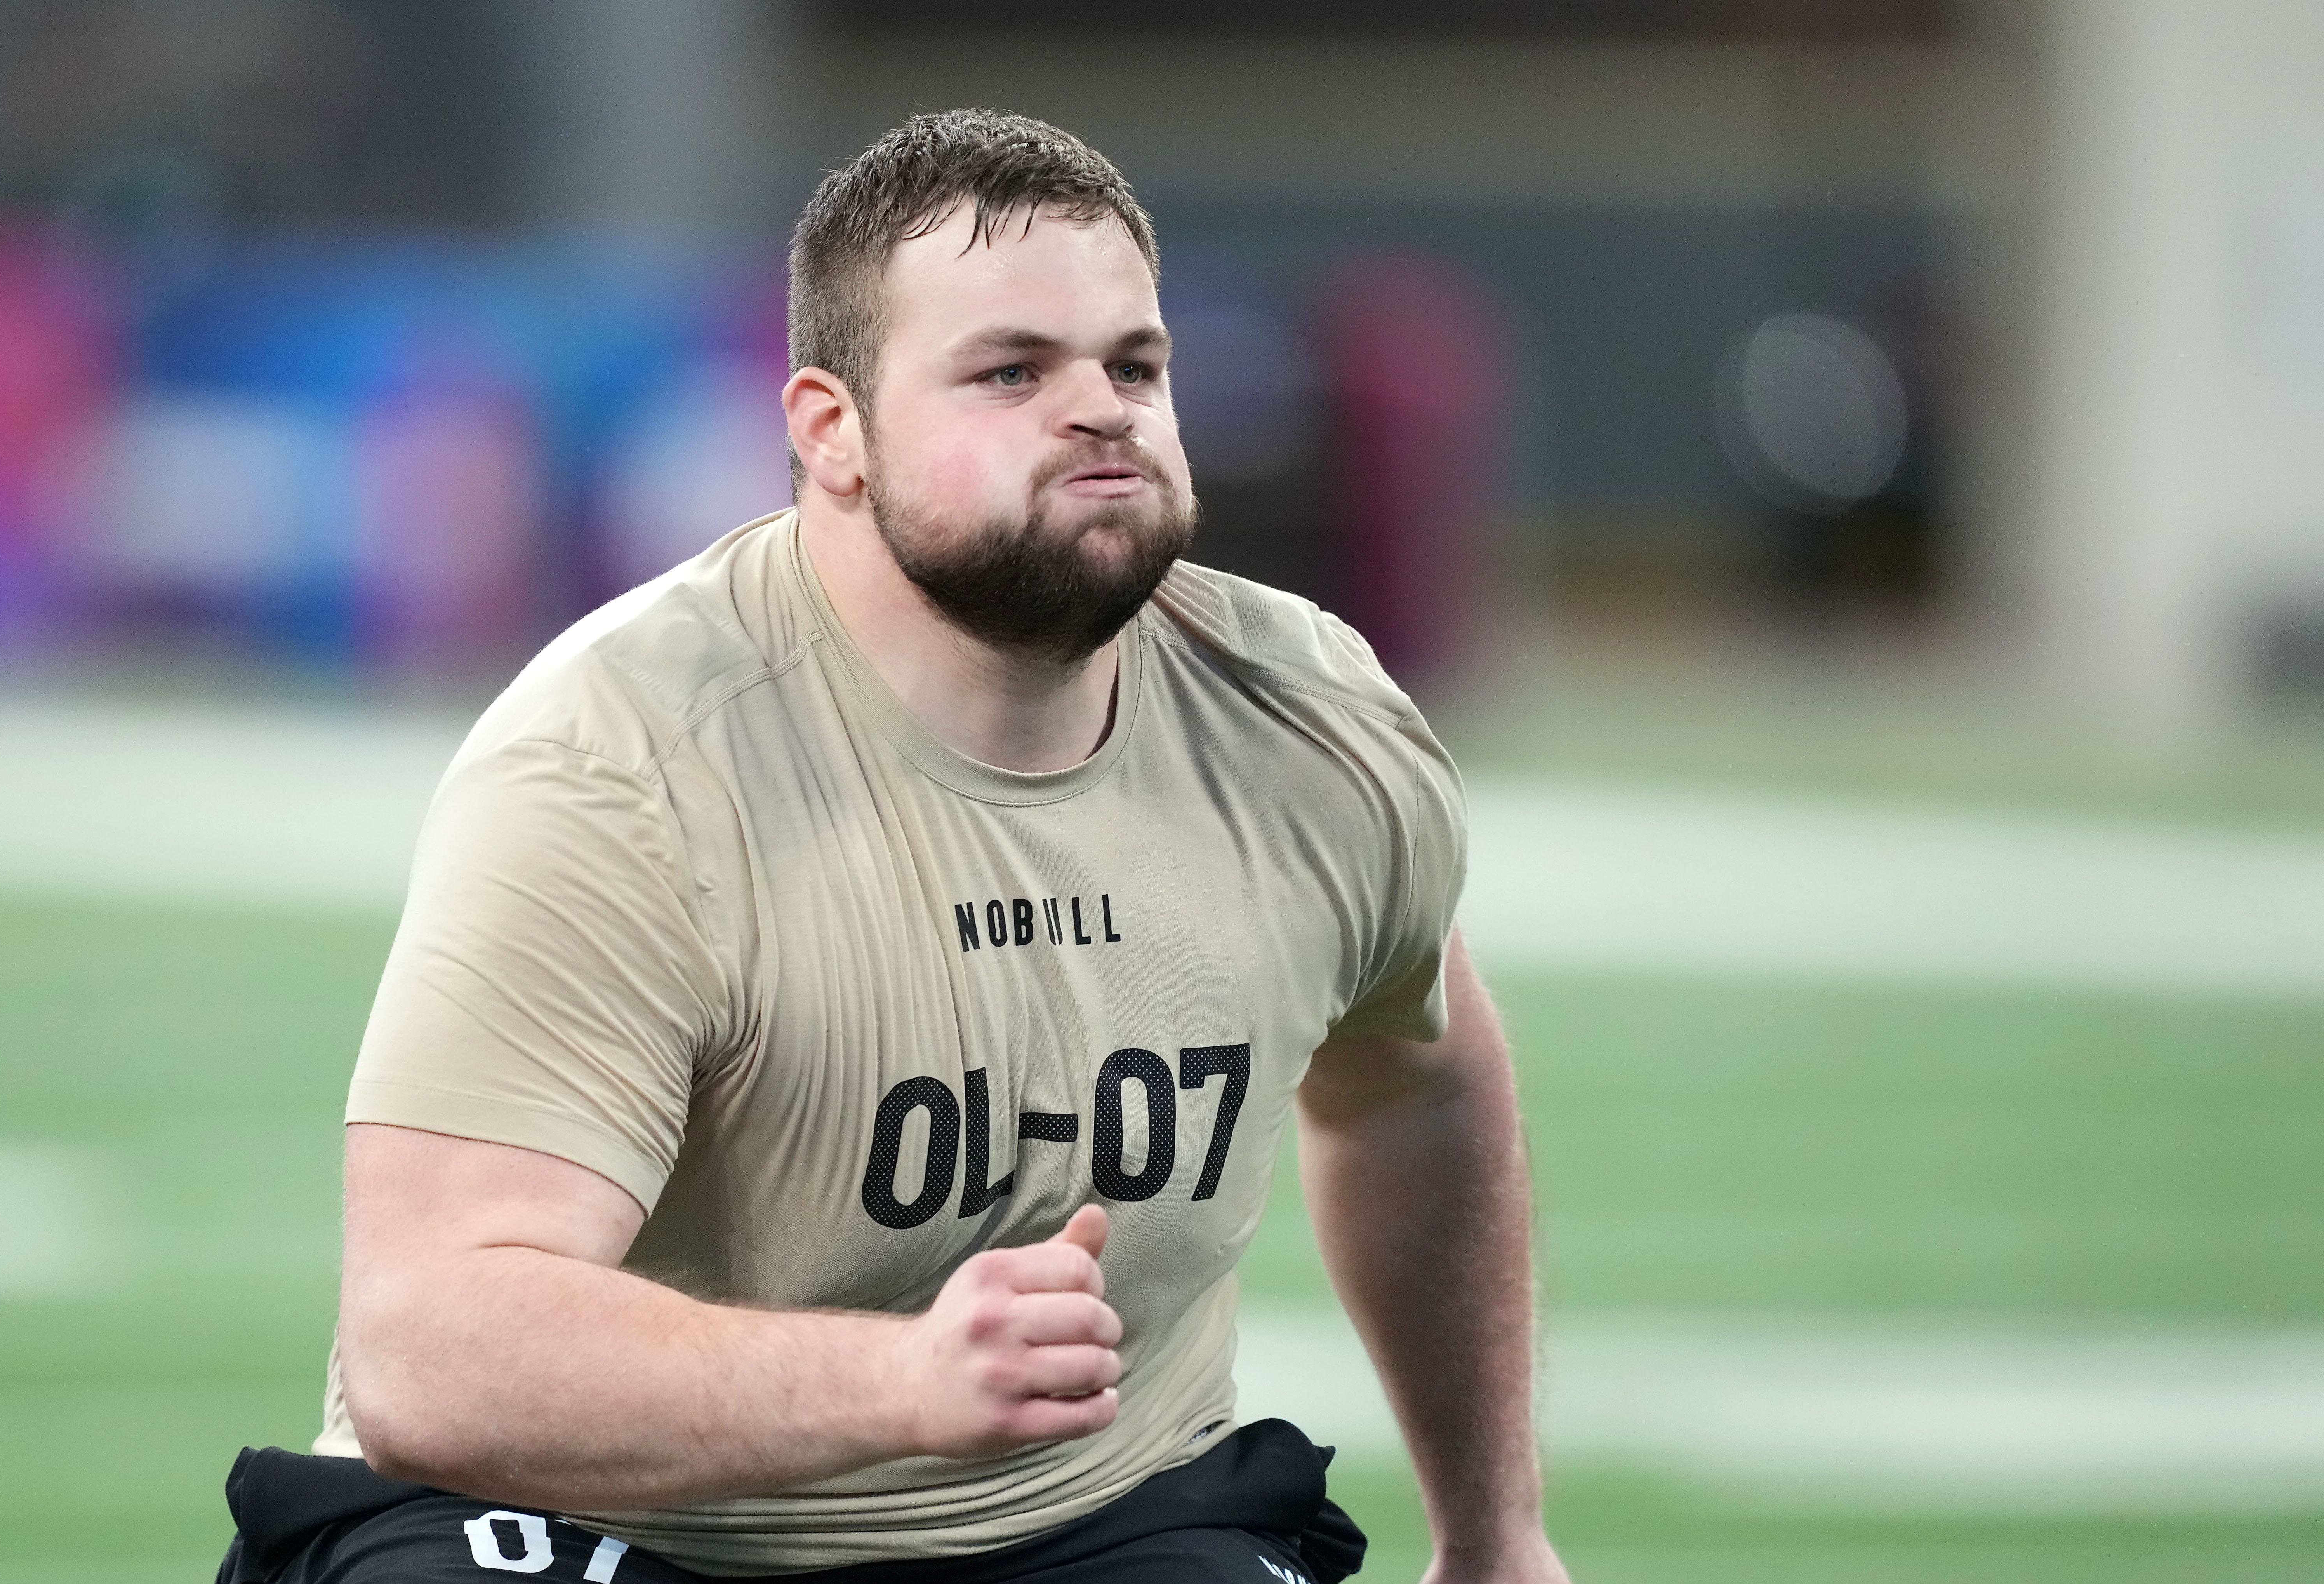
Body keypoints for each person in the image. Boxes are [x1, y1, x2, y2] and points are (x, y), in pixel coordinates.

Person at [218, 108, 1568, 1584]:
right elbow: (435, 1354)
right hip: (607, 1528)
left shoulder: (1308, 723)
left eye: (1135, 365)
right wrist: (897, 1386)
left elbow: (1418, 1084)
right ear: (829, 433)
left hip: (1084, 1522)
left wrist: (1493, 1534)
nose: (1102, 410)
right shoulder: (621, 762)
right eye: (1011, 372)